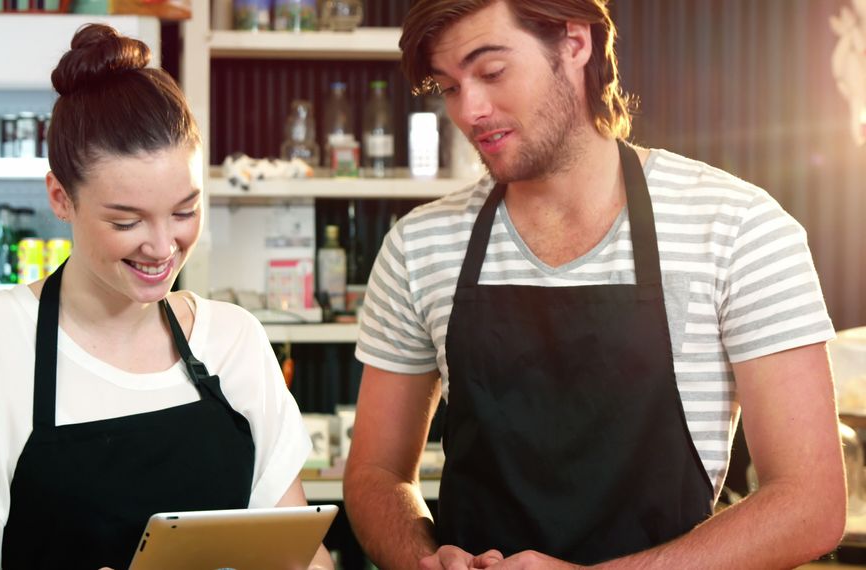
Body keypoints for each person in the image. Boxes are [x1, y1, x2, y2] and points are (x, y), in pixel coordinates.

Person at [343, 1, 847, 568]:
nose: (470, 110)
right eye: (449, 86)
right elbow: (375, 473)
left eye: (491, 72)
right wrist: (421, 559)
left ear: (575, 43)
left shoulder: (737, 228)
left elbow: (809, 502)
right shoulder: (419, 246)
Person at [0, 24, 332, 570]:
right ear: (61, 197)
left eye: (184, 212)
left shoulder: (233, 338)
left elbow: (295, 551)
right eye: (126, 221)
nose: (162, 246)